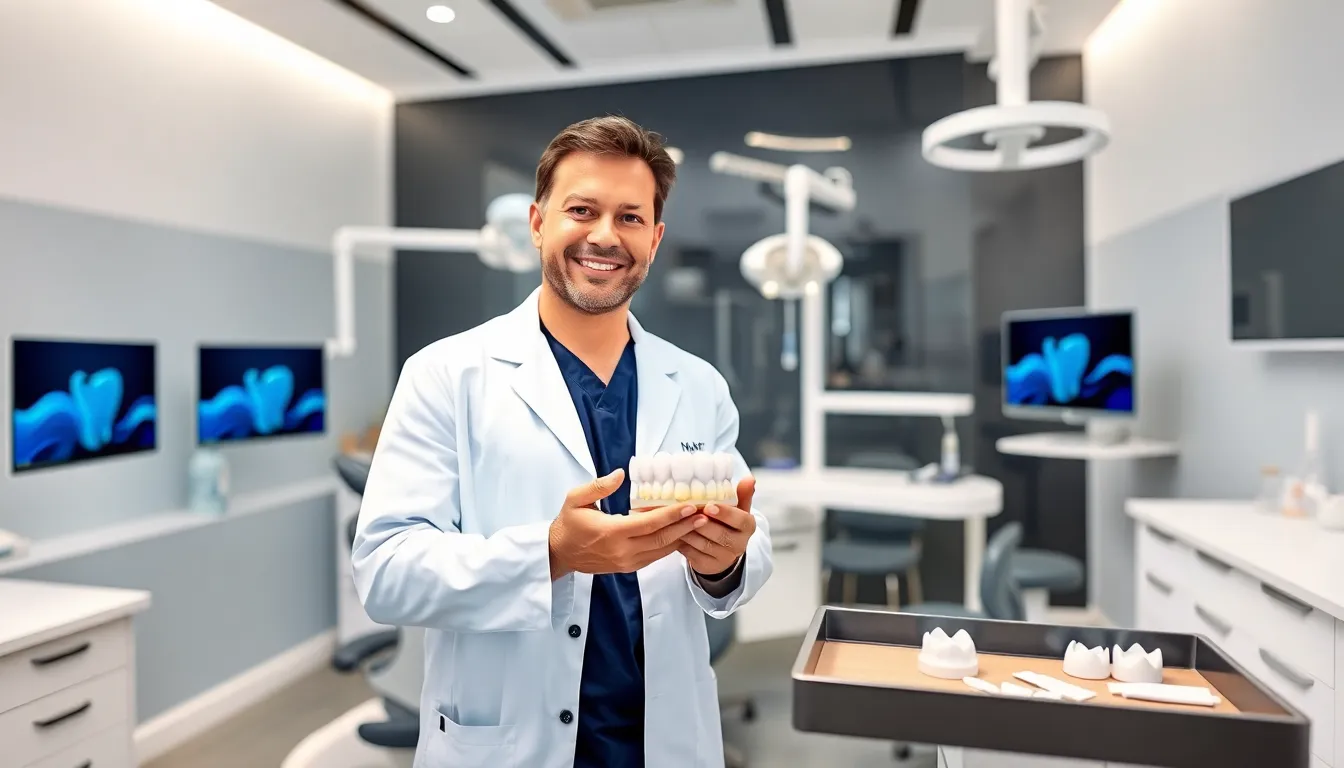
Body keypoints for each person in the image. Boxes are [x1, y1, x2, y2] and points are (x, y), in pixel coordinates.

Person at [352, 115, 774, 768]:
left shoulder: (697, 384)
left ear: (655, 239)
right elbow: (385, 573)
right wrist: (550, 553)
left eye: (630, 217)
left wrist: (724, 560)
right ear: (538, 222)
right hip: (507, 742)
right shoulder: (447, 374)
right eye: (583, 209)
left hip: (663, 742)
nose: (605, 235)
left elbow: (748, 546)